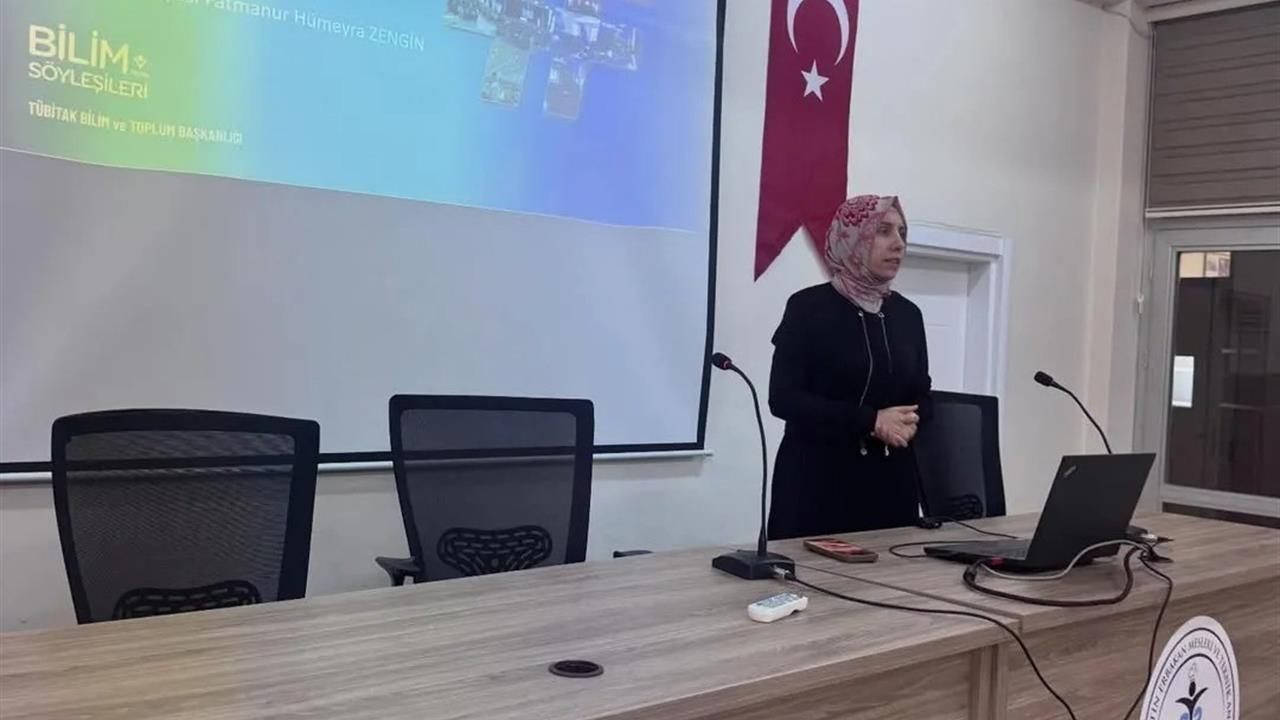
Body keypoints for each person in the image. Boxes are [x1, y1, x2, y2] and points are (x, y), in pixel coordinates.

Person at [766, 194, 932, 540]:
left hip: (891, 487)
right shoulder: (808, 308)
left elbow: (922, 392)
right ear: (852, 238)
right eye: (883, 231)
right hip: (818, 487)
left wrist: (909, 421)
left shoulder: (908, 315)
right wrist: (871, 421)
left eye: (902, 233)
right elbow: (783, 398)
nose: (898, 244)